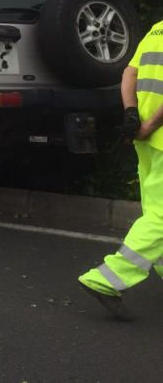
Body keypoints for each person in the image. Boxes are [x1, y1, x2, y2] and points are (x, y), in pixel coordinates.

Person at [79, 20, 163, 320]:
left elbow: (130, 72)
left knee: (155, 211)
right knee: (161, 218)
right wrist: (151, 124)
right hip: (157, 132)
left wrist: (131, 114)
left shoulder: (157, 30)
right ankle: (107, 278)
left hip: (148, 141)